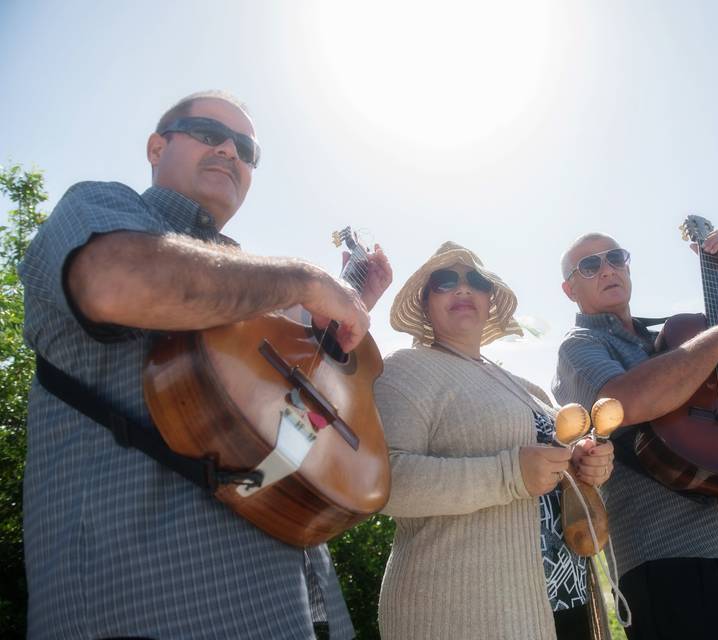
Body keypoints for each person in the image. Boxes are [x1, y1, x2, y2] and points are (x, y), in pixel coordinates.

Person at [18, 90, 392, 639]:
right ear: (155, 147)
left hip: (294, 610)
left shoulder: (250, 290)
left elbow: (296, 425)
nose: (229, 151)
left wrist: (353, 304)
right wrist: (310, 282)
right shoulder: (99, 206)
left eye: (246, 148)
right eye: (207, 133)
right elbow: (120, 282)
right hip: (152, 609)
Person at [552, 232, 718, 640]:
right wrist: (714, 341)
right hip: (661, 549)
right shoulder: (579, 346)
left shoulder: (667, 337)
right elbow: (625, 400)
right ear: (569, 289)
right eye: (590, 266)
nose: (607, 268)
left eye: (615, 257)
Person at [372, 242, 615, 640]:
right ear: (425, 302)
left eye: (477, 281)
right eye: (445, 281)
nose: (463, 289)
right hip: (464, 615)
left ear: (489, 300)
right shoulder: (405, 370)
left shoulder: (527, 387)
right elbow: (384, 483)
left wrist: (588, 464)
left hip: (567, 597)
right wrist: (508, 474)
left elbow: (555, 475)